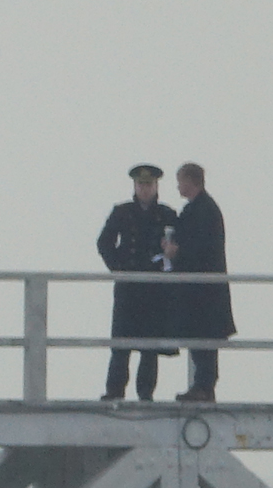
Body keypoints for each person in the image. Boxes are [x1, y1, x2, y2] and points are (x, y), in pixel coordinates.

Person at [96, 163, 178, 402]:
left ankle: (146, 393)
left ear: (156, 186)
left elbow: (178, 246)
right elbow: (104, 243)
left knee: (150, 347)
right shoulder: (122, 212)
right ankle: (115, 391)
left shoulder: (167, 215)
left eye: (149, 184)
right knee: (121, 344)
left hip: (154, 289)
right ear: (135, 185)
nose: (145, 189)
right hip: (128, 287)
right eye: (141, 184)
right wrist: (118, 268)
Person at [163, 162, 235, 403]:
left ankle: (203, 386)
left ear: (190, 181)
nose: (177, 186)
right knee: (200, 340)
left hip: (204, 290)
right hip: (200, 290)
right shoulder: (201, 208)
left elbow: (203, 247)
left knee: (203, 340)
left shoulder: (203, 210)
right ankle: (202, 386)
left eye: (180, 180)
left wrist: (177, 252)